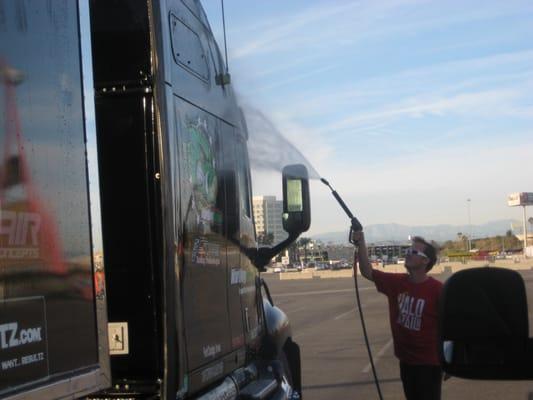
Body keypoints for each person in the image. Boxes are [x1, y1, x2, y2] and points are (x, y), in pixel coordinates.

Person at [352, 231, 443, 400]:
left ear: (425, 261)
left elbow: (451, 326)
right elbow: (366, 271)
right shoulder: (397, 283)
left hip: (429, 365)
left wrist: (449, 361)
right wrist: (361, 242)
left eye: (414, 252)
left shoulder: (438, 290)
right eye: (408, 250)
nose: (408, 253)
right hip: (406, 362)